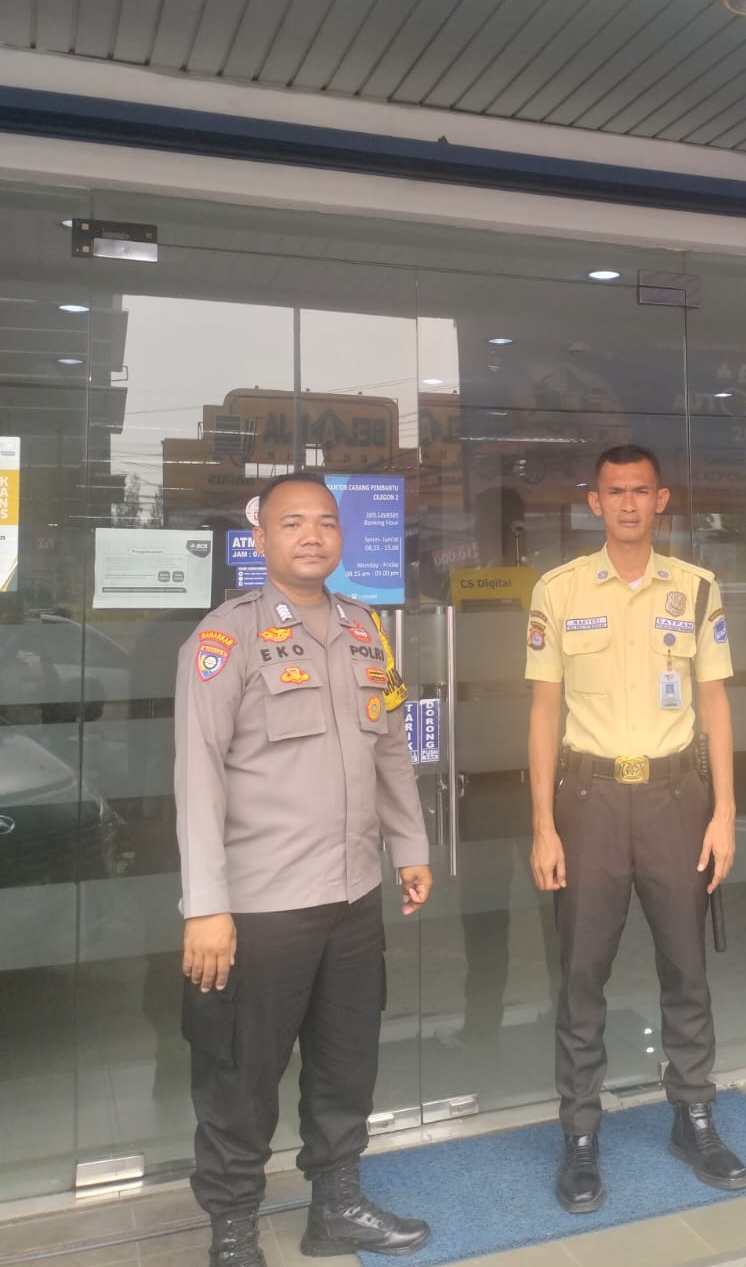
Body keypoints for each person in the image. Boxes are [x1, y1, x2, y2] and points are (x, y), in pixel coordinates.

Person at [174, 472, 432, 1266]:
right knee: (241, 1075)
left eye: (326, 522)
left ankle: (336, 1208)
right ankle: (232, 1230)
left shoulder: (364, 629)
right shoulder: (225, 639)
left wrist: (411, 846)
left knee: (346, 1062)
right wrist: (205, 906)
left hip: (352, 895)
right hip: (261, 906)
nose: (313, 536)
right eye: (293, 523)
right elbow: (197, 774)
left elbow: (390, 746)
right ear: (261, 539)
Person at [526, 445, 746, 1213]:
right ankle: (581, 1134)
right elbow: (543, 712)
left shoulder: (695, 588)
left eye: (640, 491)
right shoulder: (557, 590)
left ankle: (694, 1117)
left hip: (674, 800)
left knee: (686, 966)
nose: (627, 503)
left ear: (662, 500)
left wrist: (723, 813)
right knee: (581, 974)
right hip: (587, 802)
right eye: (614, 491)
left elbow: (715, 704)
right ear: (594, 502)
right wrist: (543, 825)